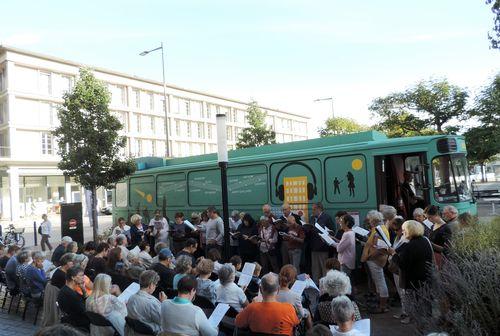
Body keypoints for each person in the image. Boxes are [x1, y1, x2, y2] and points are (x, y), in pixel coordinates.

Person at [387, 220, 434, 323]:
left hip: (413, 279)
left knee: (414, 302)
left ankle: (415, 321)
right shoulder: (425, 240)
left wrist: (394, 254)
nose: (402, 232)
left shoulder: (410, 245)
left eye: (404, 230)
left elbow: (403, 265)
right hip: (426, 276)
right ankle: (427, 321)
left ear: (409, 231)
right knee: (426, 301)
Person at [235, 273, 299, 336]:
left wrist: (253, 304)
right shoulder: (289, 309)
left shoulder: (252, 308)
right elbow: (296, 323)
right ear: (278, 290)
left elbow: (237, 322)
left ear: (260, 289)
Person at [360, 209, 390, 313]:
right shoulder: (378, 228)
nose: (369, 222)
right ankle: (381, 304)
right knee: (378, 282)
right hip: (374, 259)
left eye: (370, 220)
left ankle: (383, 306)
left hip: (375, 260)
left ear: (374, 220)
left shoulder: (379, 230)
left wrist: (369, 256)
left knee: (380, 282)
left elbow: (380, 248)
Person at [127, 270, 166, 335]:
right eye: (155, 285)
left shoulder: (131, 298)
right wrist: (164, 303)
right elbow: (163, 321)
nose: (155, 287)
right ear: (151, 285)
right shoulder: (152, 302)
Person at [57, 266, 90, 331]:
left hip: (69, 322)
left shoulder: (65, 289)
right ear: (73, 277)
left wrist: (83, 290)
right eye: (81, 275)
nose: (84, 278)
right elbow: (86, 309)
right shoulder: (71, 294)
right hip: (78, 326)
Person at [309, 202, 335, 283]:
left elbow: (333, 231)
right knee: (315, 268)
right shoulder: (312, 218)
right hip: (314, 247)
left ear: (319, 209)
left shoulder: (327, 217)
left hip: (323, 247)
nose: (312, 211)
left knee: (324, 268)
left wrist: (326, 233)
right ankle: (316, 285)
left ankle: (325, 285)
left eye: (314, 209)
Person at [426, 205, 452, 269]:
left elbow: (447, 249)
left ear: (437, 214)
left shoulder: (446, 228)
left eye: (430, 217)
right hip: (433, 257)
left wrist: (431, 244)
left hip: (441, 259)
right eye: (427, 218)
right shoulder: (433, 225)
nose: (429, 220)